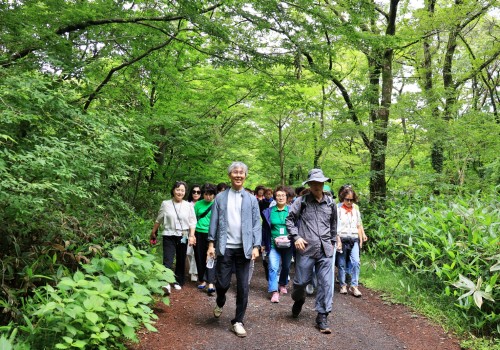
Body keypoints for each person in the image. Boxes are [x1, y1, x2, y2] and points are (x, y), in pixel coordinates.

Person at [207, 161, 262, 338]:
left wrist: (256, 246)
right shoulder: (221, 198)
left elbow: (256, 224)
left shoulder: (251, 199)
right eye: (235, 172)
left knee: (243, 286)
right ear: (230, 175)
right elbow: (213, 222)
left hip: (244, 249)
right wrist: (210, 244)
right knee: (222, 283)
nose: (238, 175)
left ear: (245, 176)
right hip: (225, 247)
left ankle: (238, 321)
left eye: (241, 172)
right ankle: (220, 300)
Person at [285, 169, 341, 334]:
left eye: (320, 183)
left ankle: (322, 316)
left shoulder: (330, 203)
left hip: (325, 250)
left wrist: (333, 241)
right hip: (306, 249)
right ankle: (299, 299)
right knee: (301, 282)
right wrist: (296, 237)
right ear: (309, 185)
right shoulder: (301, 202)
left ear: (324, 184)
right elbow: (289, 220)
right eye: (314, 183)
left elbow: (333, 225)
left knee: (326, 284)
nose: (317, 186)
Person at [150, 181, 197, 294]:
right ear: (173, 190)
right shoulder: (165, 204)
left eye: (182, 190)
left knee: (181, 259)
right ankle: (165, 282)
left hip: (183, 235)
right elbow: (159, 219)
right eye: (177, 189)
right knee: (168, 259)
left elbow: (192, 222)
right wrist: (153, 231)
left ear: (185, 192)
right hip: (168, 234)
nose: (179, 192)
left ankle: (178, 281)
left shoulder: (188, 205)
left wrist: (191, 235)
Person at [261, 186, 293, 303]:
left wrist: (290, 237)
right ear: (275, 197)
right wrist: (263, 243)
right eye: (278, 195)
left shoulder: (292, 210)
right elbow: (264, 229)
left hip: (288, 244)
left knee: (286, 266)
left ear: (287, 197)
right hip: (273, 245)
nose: (280, 197)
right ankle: (274, 291)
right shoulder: (268, 212)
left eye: (283, 195)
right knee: (273, 267)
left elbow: (296, 226)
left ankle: (283, 284)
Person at [336, 185, 367, 297]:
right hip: (341, 238)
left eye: (351, 200)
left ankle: (354, 285)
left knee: (356, 261)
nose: (349, 202)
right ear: (342, 198)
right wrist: (337, 239)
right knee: (341, 263)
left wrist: (361, 239)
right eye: (347, 199)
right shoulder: (337, 210)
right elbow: (334, 227)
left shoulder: (356, 211)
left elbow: (358, 225)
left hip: (353, 239)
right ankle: (343, 285)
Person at [191, 183, 217, 296]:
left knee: (211, 257)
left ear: (214, 195)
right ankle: (202, 280)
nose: (208, 197)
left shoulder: (217, 205)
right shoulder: (198, 205)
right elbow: (192, 220)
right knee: (199, 257)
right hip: (198, 233)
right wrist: (192, 235)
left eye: (211, 194)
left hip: (212, 235)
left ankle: (211, 282)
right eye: (206, 194)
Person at [187, 184, 202, 282]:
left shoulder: (203, 204)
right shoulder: (187, 204)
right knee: (188, 252)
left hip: (199, 231)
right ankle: (191, 270)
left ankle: (194, 273)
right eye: (194, 192)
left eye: (198, 192)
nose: (196, 194)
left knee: (196, 252)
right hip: (187, 230)